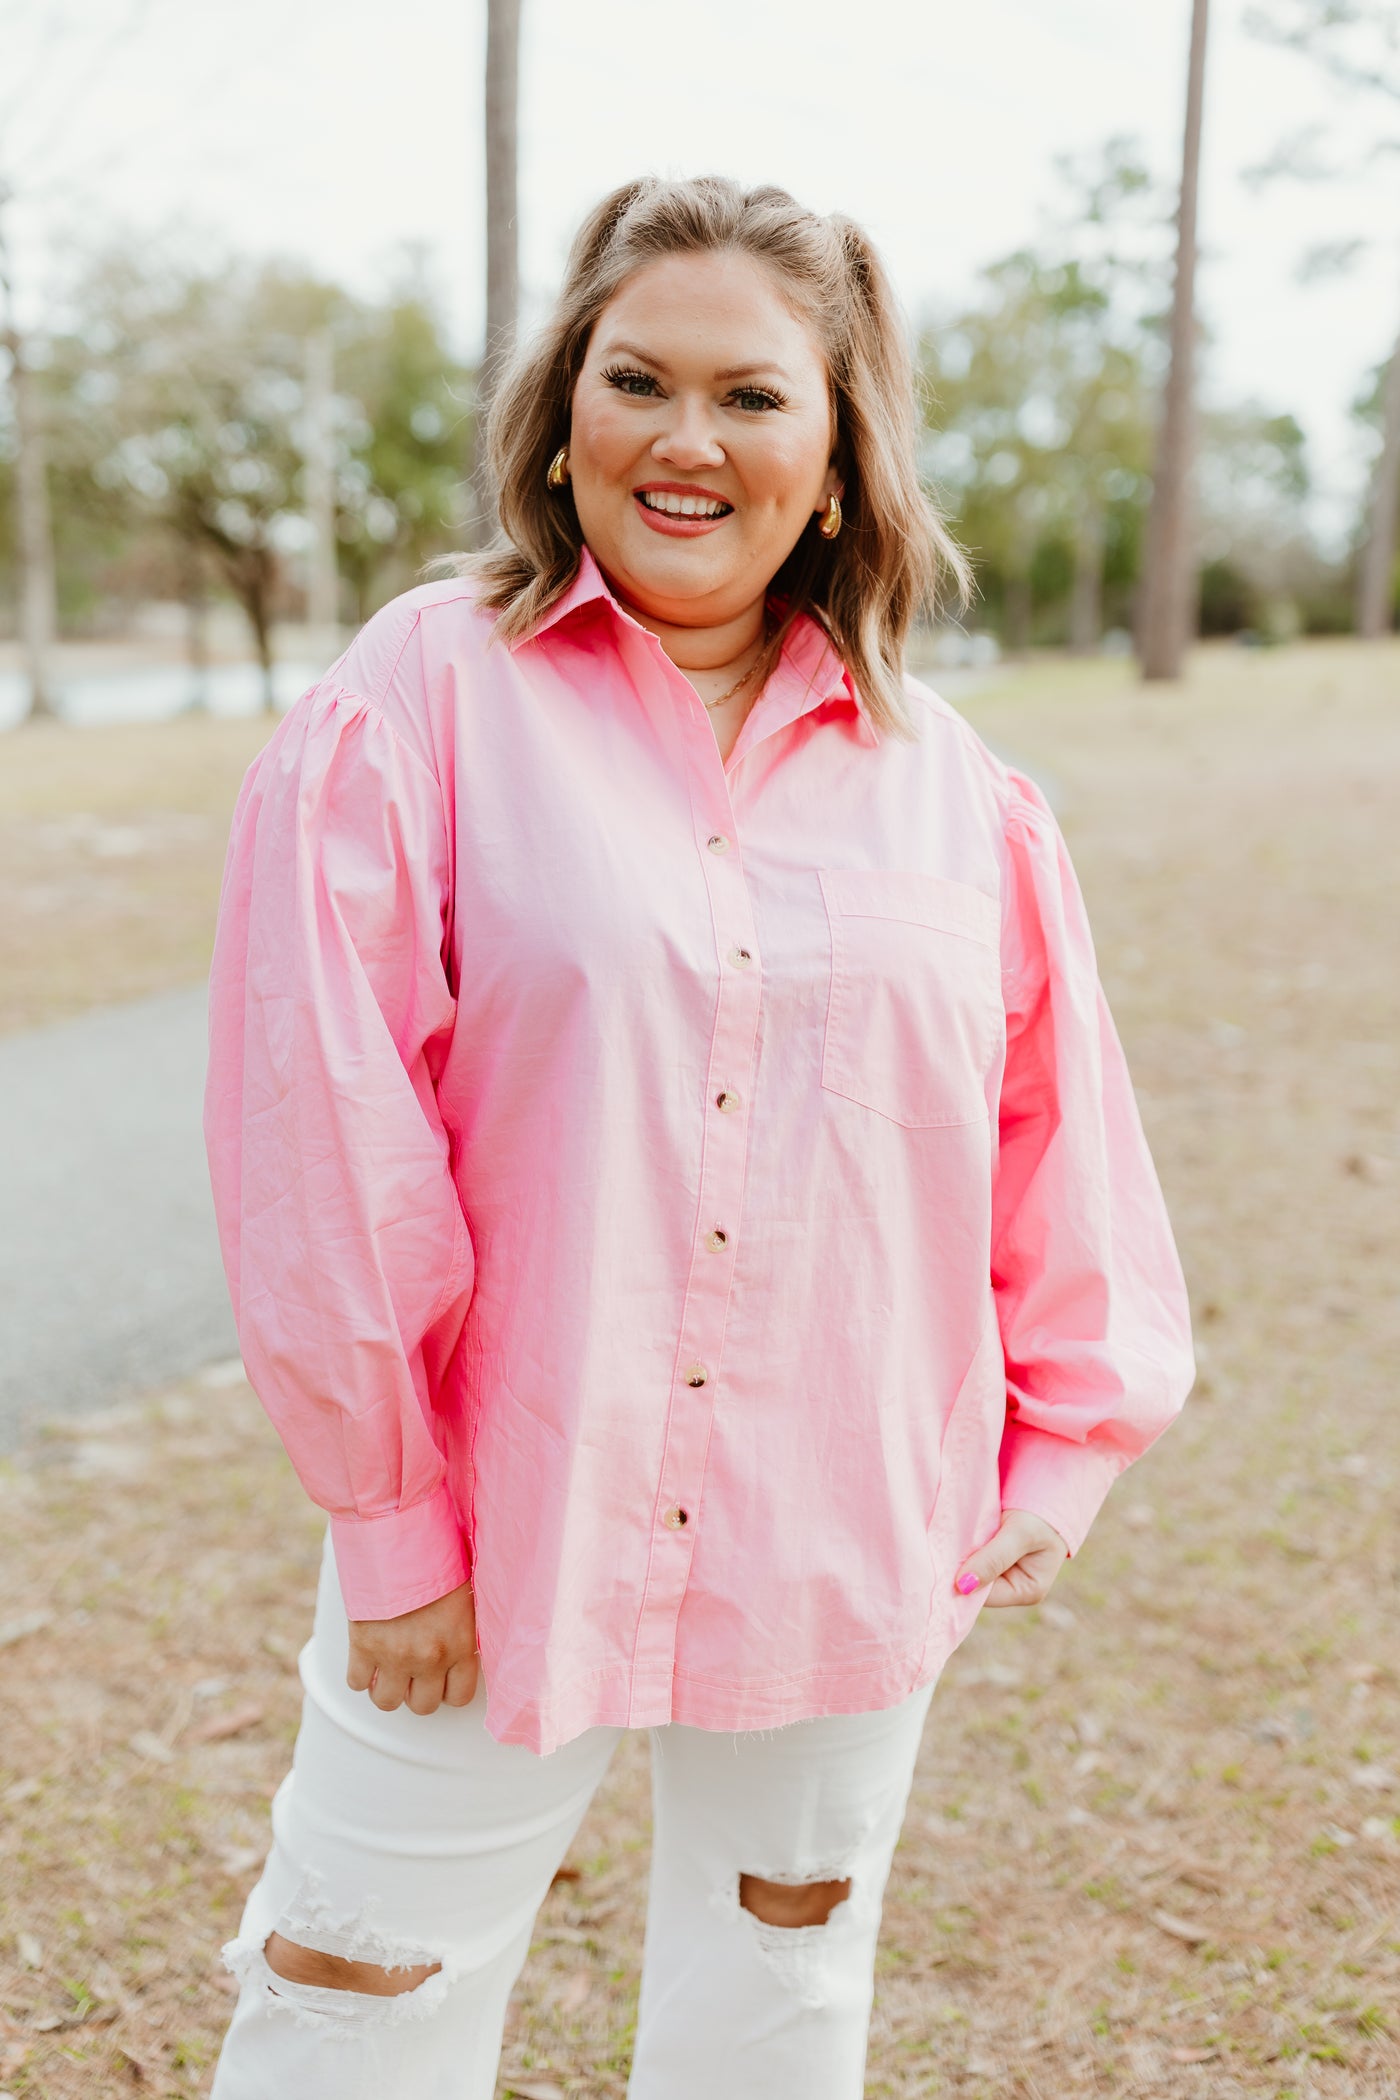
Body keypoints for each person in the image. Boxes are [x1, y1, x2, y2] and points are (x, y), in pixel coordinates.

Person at [202, 175, 1194, 2099]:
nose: (683, 438)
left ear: (837, 463)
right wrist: (392, 1522)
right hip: (496, 1521)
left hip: (843, 1520)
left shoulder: (958, 792)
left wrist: (1064, 1447)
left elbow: (1051, 1134)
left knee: (782, 2000)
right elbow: (323, 1122)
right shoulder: (415, 699)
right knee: (355, 1991)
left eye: (752, 398)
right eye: (634, 380)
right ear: (560, 417)